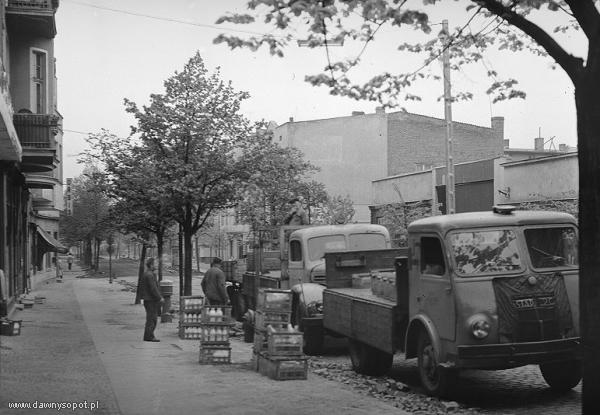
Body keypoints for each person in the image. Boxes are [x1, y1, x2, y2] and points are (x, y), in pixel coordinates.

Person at [138, 257, 163, 342]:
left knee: (151, 318)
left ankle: (148, 336)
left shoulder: (148, 274)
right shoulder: (150, 275)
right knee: (152, 319)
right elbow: (153, 288)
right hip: (151, 300)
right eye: (155, 263)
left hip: (148, 300)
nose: (156, 265)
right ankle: (149, 336)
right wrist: (159, 298)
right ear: (151, 265)